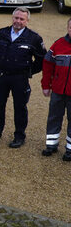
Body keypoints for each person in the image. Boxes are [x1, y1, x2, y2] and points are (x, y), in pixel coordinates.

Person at [0, 7, 45, 148]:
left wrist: (29, 71)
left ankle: (19, 136)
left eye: (22, 19)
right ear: (12, 18)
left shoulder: (34, 38)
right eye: (16, 18)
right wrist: (1, 63)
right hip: (2, 76)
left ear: (27, 21)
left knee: (20, 107)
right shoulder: (2, 33)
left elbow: (41, 59)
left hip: (20, 78)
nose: (18, 21)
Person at [41, 17, 71, 160]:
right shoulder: (58, 45)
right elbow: (47, 65)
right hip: (58, 91)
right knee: (54, 117)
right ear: (67, 28)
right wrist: (46, 86)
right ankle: (51, 145)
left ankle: (70, 149)